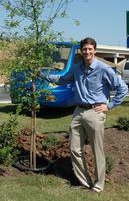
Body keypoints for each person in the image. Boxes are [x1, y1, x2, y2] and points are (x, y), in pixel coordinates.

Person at [41, 37, 128, 192]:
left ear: (94, 50)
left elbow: (122, 88)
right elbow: (62, 80)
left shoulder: (103, 69)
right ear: (81, 51)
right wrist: (42, 74)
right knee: (74, 148)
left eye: (90, 49)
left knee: (97, 150)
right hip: (78, 112)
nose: (87, 51)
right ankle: (84, 183)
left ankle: (99, 185)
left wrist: (109, 105)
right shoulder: (76, 68)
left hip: (95, 112)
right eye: (84, 49)